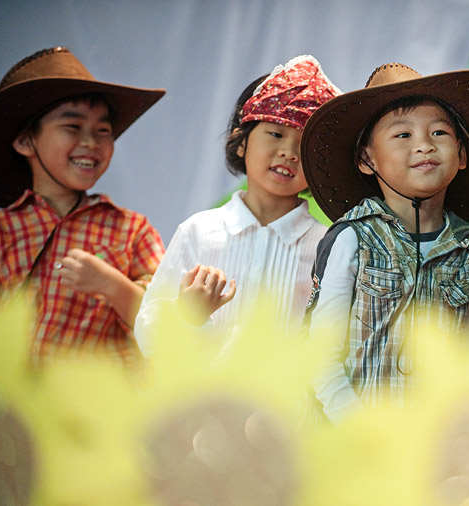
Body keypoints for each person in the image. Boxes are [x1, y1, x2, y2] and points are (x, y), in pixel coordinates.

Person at [299, 63, 469, 422]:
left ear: (461, 154)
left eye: (439, 133)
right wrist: (360, 430)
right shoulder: (352, 238)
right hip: (350, 438)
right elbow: (320, 356)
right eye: (403, 135)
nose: (424, 145)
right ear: (367, 159)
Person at [134, 55, 340, 356]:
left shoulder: (328, 246)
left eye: (305, 144)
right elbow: (149, 334)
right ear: (241, 141)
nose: (289, 152)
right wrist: (190, 316)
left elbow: (334, 342)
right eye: (276, 133)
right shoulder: (198, 232)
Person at [0, 47, 166, 366]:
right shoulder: (0, 231)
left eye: (103, 130)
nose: (91, 142)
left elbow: (165, 323)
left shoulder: (132, 229)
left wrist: (112, 285)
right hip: (17, 395)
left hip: (107, 393)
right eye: (73, 127)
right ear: (25, 141)